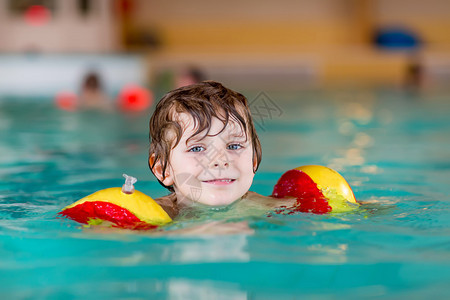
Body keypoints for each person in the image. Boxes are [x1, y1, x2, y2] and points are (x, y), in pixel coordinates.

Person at [148, 81, 295, 223]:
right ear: (163, 170)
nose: (220, 160)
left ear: (254, 161)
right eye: (197, 148)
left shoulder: (276, 209)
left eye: (234, 146)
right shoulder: (152, 216)